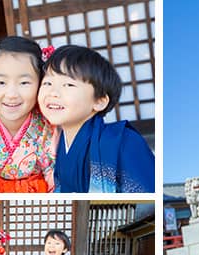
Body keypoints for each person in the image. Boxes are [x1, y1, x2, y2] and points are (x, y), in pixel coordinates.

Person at [38, 45, 154, 193]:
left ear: (99, 101)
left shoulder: (124, 141)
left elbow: (148, 199)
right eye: (47, 83)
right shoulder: (60, 145)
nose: (53, 93)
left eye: (68, 84)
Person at [0, 36, 57, 192]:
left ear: (41, 84)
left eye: (24, 83)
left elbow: (57, 184)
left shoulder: (50, 129)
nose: (12, 94)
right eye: (1, 82)